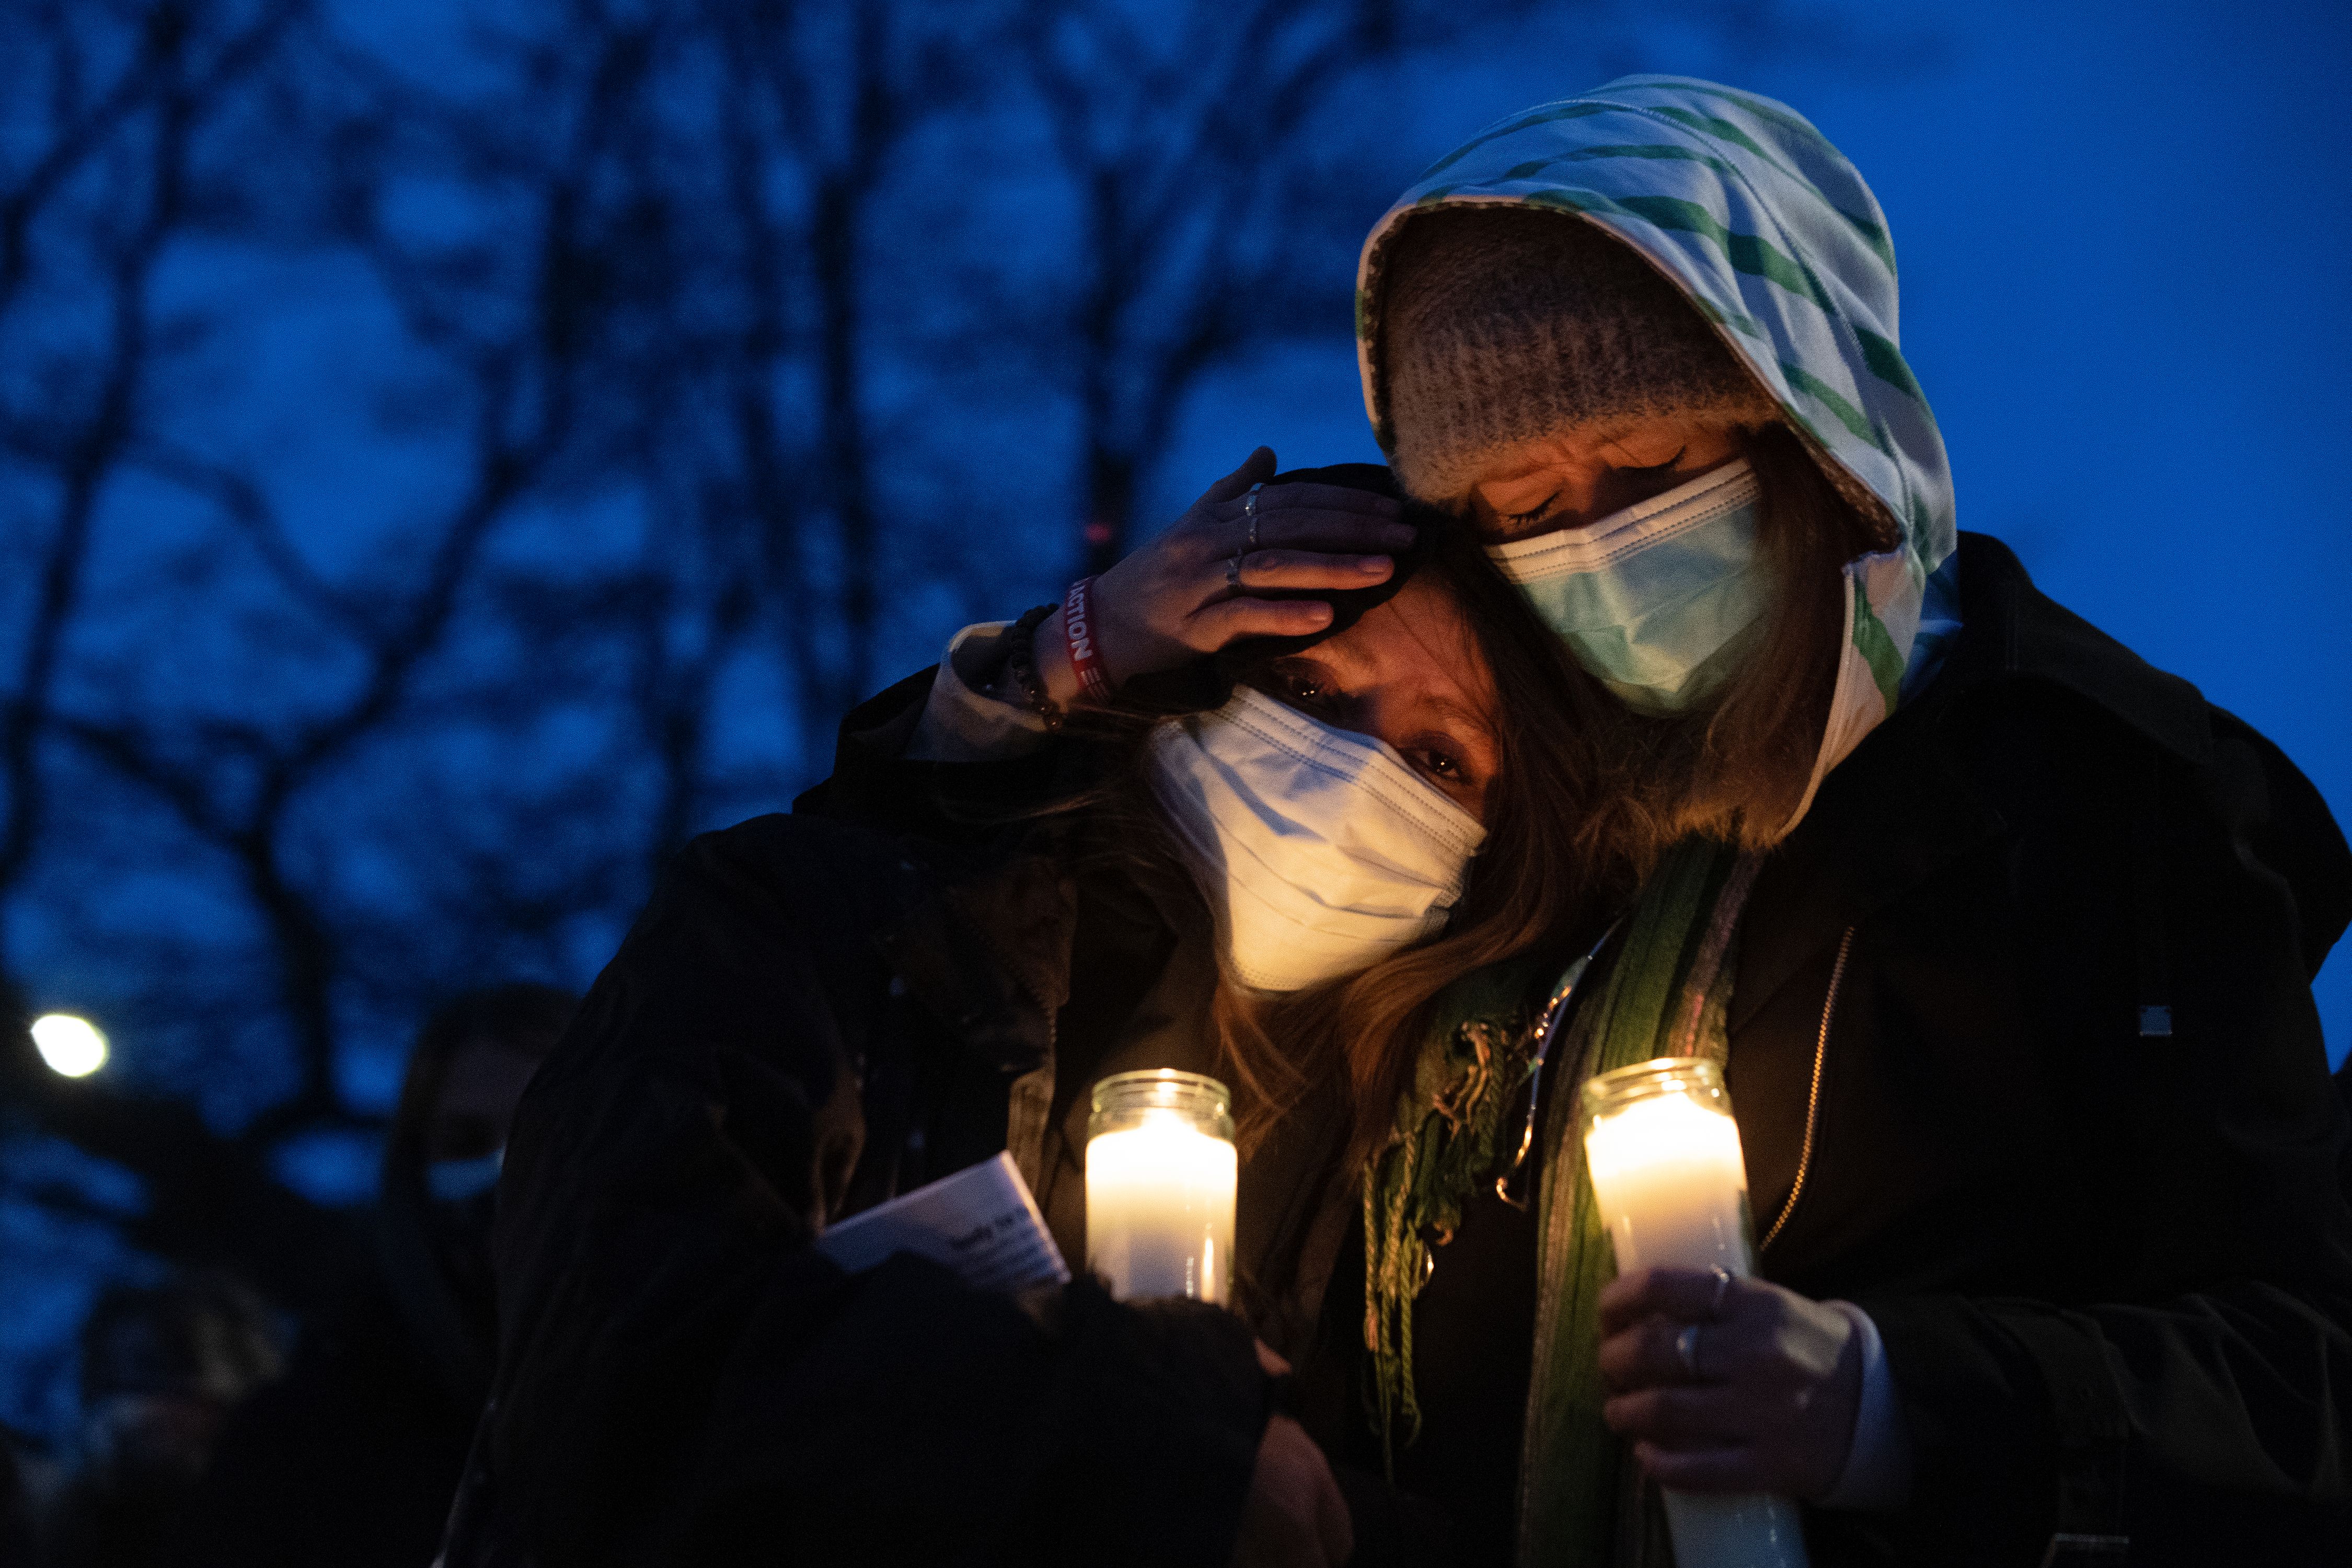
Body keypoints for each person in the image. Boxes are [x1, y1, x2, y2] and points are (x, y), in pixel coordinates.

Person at [816, 74, 2352, 1568]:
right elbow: (929, 918)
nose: (1595, 547)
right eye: (1517, 506)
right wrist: (1069, 660)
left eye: (1652, 465)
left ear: (1813, 434)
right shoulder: (1493, 828)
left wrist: (1887, 1403)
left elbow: (2306, 1374)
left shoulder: (2087, 806)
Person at [438, 483, 1598, 1567]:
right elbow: (622, 1381)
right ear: (1184, 693)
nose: (1350, 772)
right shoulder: (805, 927)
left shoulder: (1432, 1169)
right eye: (1305, 693)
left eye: (1440, 757)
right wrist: (1150, 1429)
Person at [175, 985, 575, 1568]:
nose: (500, 1174)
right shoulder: (303, 1446)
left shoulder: (712, 1394)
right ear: (414, 1165)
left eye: (540, 1134)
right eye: (465, 1142)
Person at [38, 1273, 283, 1568]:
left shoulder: (287, 1500)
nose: (136, 1406)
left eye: (169, 1368)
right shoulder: (73, 1511)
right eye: (115, 1381)